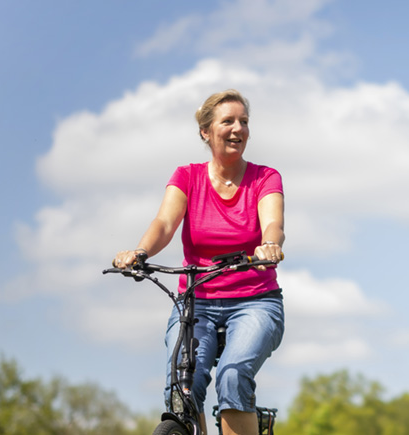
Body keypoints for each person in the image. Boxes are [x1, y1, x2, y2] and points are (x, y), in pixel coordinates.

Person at [113, 89, 285, 435]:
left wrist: (269, 245)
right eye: (228, 121)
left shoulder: (265, 178)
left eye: (244, 122)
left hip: (255, 301)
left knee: (233, 376)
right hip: (197, 303)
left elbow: (273, 224)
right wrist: (140, 252)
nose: (239, 129)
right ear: (206, 131)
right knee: (181, 385)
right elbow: (163, 224)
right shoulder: (187, 177)